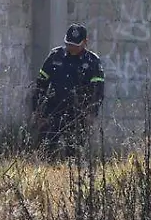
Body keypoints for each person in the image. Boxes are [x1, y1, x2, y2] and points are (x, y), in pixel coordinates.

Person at [33, 24, 105, 159]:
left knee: (74, 154)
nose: (71, 47)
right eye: (68, 43)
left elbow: (98, 91)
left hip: (78, 114)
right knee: (45, 150)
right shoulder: (55, 56)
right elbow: (40, 85)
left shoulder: (92, 62)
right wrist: (37, 110)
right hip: (53, 111)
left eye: (75, 45)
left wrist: (92, 113)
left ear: (85, 42)